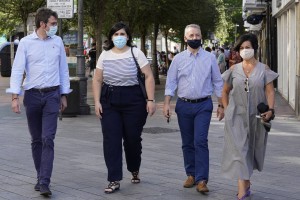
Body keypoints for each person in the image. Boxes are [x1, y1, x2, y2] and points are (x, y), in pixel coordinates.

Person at [6, 8, 71, 196]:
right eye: (52, 24)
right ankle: (39, 175)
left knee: (47, 138)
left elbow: (63, 70)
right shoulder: (26, 43)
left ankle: (44, 181)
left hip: (52, 95)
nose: (55, 27)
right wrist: (14, 97)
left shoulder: (57, 42)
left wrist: (64, 94)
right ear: (42, 24)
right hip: (32, 96)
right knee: (36, 140)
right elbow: (17, 70)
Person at [92, 22, 156, 194]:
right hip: (110, 100)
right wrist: (97, 101)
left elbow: (148, 76)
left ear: (128, 36)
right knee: (111, 139)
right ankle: (114, 179)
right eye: (116, 34)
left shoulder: (136, 53)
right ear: (111, 37)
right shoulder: (104, 55)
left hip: (133, 99)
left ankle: (134, 167)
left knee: (132, 139)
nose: (119, 37)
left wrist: (150, 100)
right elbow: (97, 79)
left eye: (122, 34)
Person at [163, 24, 224, 194]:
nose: (195, 38)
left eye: (197, 35)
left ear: (201, 36)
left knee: (200, 141)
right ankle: (191, 174)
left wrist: (221, 104)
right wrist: (167, 103)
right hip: (183, 105)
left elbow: (218, 82)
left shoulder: (210, 58)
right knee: (187, 143)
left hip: (203, 105)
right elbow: (171, 82)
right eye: (191, 35)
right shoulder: (178, 59)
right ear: (185, 38)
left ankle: (202, 179)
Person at [221, 33, 278, 200]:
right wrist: (226, 109)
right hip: (236, 116)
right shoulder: (233, 70)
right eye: (241, 48)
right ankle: (242, 192)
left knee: (252, 149)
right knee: (240, 151)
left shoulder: (264, 69)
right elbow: (224, 91)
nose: (245, 50)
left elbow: (270, 91)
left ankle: (246, 183)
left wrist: (271, 110)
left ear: (254, 48)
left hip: (257, 117)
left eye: (248, 47)